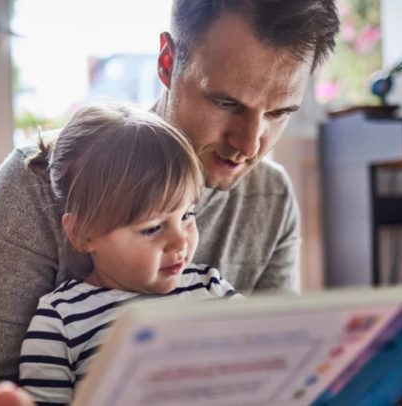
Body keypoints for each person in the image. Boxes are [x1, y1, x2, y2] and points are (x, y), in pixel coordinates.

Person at [0, 1, 402, 405]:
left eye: (280, 112)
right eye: (227, 102)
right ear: (168, 61)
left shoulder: (270, 196)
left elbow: (284, 377)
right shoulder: (39, 179)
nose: (248, 144)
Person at [18, 103, 242, 404]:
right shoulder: (60, 321)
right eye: (152, 228)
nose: (180, 242)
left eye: (187, 215)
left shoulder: (210, 288)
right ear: (83, 234)